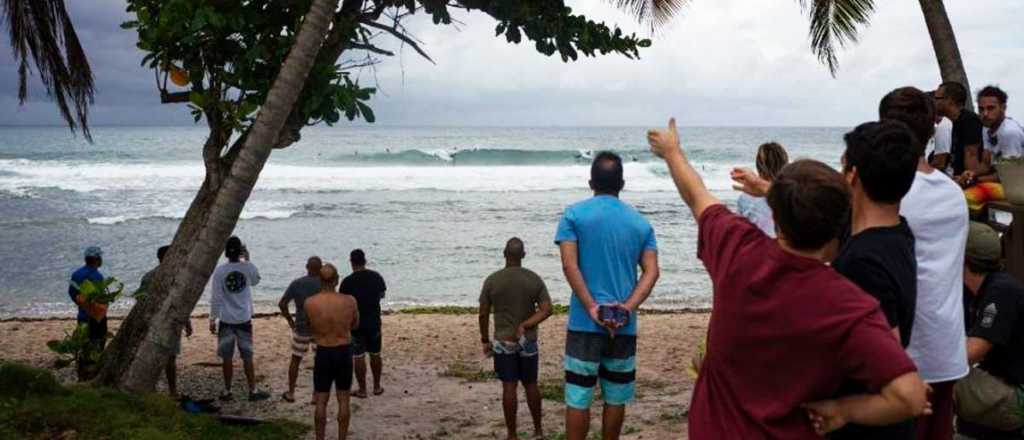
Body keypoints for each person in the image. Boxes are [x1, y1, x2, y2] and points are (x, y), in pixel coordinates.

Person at [652, 118, 929, 438]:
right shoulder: (849, 305)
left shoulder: (736, 248)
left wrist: (672, 151)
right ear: (839, 228)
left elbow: (697, 195)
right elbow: (910, 397)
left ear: (776, 216)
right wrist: (843, 410)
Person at [879, 86, 969, 440]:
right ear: (931, 130)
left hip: (901, 352)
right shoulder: (953, 194)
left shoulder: (888, 196)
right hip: (946, 348)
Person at [554, 151, 659, 440]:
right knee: (615, 396)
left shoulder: (573, 215)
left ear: (591, 182)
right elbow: (651, 272)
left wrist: (591, 306)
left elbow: (569, 265)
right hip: (623, 325)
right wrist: (626, 308)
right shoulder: (641, 224)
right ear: (622, 184)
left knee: (578, 396)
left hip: (584, 323)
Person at [827, 120, 921, 439]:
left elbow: (887, 358)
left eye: (843, 166)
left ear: (852, 175)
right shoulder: (897, 232)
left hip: (867, 424)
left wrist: (843, 409)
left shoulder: (862, 263)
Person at [478, 237, 553, 440]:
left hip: (504, 341)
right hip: (527, 340)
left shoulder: (492, 280)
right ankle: (538, 431)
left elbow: (483, 313)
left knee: (509, 386)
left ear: (504, 254)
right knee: (531, 384)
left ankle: (512, 435)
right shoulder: (533, 279)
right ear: (524, 255)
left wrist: (485, 339)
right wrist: (526, 324)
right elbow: (547, 309)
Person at [956, 222, 1024, 439]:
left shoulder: (1001, 290)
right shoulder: (980, 288)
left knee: (933, 377)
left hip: (1015, 397)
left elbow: (972, 352)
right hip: (999, 386)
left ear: (961, 258)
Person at [208, 236, 268, 402]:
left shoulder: (220, 271)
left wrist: (213, 318)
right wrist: (247, 259)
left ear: (226, 252)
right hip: (243, 319)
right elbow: (255, 281)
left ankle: (227, 391)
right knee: (247, 356)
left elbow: (216, 297)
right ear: (241, 250)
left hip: (226, 319)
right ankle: (253, 390)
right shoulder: (247, 267)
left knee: (227, 358)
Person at [304, 263, 359, 440]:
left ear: (320, 281)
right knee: (343, 398)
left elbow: (309, 326)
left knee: (321, 400)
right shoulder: (349, 301)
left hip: (323, 351)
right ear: (336, 280)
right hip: (343, 350)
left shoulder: (310, 302)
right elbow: (355, 324)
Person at [963, 86, 1024, 212]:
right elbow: (985, 164)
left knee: (965, 198)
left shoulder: (1009, 132)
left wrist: (975, 180)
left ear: (1003, 108)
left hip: (1017, 185)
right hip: (1008, 181)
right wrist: (970, 174)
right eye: (981, 109)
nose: (985, 114)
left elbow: (1010, 175)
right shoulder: (987, 127)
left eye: (991, 108)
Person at [144, 245, 194, 398]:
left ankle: (151, 388)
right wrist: (187, 323)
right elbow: (182, 303)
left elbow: (141, 302)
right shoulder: (177, 277)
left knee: (153, 357)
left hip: (153, 322)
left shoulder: (148, 277)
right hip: (171, 322)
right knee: (170, 359)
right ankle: (172, 391)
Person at [339, 249, 387, 398]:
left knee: (358, 356)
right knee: (375, 353)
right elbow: (382, 295)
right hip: (373, 321)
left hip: (356, 323)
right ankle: (377, 387)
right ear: (365, 260)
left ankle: (362, 389)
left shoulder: (347, 282)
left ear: (351, 262)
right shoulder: (376, 277)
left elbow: (343, 303)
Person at [278, 256, 323, 403]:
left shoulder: (297, 283)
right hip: (320, 328)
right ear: (321, 269)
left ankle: (291, 392)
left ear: (306, 267)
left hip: (301, 326)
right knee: (319, 361)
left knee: (296, 359)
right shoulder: (324, 284)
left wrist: (291, 322)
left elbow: (282, 304)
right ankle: (316, 395)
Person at [69, 245, 108, 381]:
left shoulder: (76, 274)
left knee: (84, 346)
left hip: (82, 316)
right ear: (98, 259)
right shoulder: (97, 276)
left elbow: (72, 293)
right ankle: (92, 375)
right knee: (97, 346)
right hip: (96, 318)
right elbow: (101, 298)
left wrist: (83, 305)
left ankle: (82, 375)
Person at [933, 82, 984, 182]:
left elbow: (971, 159)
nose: (934, 102)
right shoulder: (948, 122)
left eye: (937, 98)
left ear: (950, 101)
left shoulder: (970, 122)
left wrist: (963, 180)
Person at [736, 142, 788, 237]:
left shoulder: (746, 197)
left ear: (758, 165)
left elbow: (740, 233)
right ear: (785, 164)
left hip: (757, 245)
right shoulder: (793, 195)